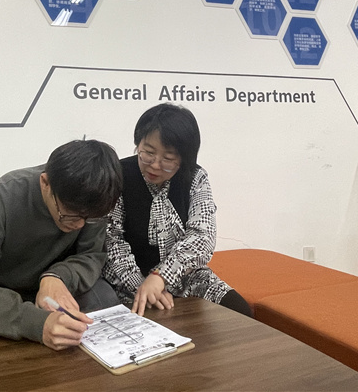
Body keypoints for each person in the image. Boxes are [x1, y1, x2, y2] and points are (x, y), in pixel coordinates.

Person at [0, 139, 123, 351]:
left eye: (89, 218)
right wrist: (36, 323)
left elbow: (91, 256)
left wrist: (57, 277)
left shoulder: (94, 205)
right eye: (70, 215)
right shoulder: (7, 194)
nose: (79, 225)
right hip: (5, 293)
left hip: (62, 287)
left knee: (105, 298)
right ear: (45, 183)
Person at [102, 103, 252, 317]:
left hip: (185, 276)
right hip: (129, 280)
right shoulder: (118, 175)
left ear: (183, 158)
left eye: (168, 159)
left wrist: (161, 277)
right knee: (151, 318)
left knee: (239, 311)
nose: (155, 165)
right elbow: (111, 242)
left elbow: (202, 236)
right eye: (148, 153)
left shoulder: (195, 178)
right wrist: (144, 287)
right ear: (138, 144)